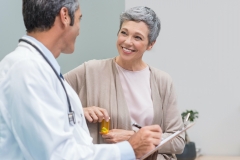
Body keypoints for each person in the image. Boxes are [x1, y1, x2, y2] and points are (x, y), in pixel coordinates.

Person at [0, 1, 162, 160]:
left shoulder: (39, 69)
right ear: (65, 16)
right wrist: (129, 149)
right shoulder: (27, 70)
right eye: (79, 19)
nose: (79, 29)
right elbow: (58, 156)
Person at [64, 6, 185, 160]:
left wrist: (132, 137)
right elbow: (48, 99)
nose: (127, 42)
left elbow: (178, 141)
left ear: (151, 44)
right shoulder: (90, 70)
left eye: (138, 37)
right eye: (124, 33)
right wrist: (80, 110)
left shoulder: (162, 81)